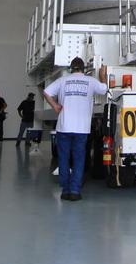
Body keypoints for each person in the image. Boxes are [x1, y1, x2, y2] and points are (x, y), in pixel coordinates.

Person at [43, 58, 108, 201]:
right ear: (83, 69)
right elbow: (104, 90)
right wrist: (103, 75)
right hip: (81, 129)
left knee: (64, 159)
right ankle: (74, 191)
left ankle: (65, 191)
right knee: (79, 159)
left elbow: (46, 92)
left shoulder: (63, 80)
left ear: (71, 68)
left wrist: (55, 106)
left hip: (64, 127)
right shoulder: (90, 81)